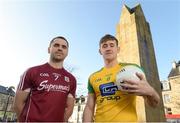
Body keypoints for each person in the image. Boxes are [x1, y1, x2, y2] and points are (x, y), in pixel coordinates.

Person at [83, 34, 160, 122]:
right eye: (104, 46)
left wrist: (151, 92)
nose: (108, 48)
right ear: (100, 51)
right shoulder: (93, 77)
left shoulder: (132, 70)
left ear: (118, 49)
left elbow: (153, 104)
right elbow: (89, 107)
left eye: (112, 45)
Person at [14, 36, 76, 122]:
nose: (60, 48)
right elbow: (18, 104)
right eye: (56, 45)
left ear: (67, 52)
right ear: (49, 49)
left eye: (64, 47)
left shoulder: (71, 79)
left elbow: (69, 108)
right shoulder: (32, 72)